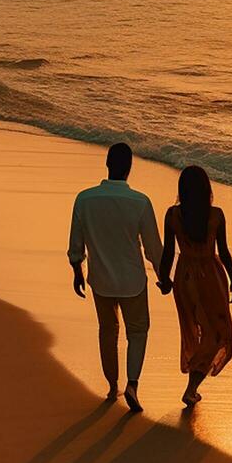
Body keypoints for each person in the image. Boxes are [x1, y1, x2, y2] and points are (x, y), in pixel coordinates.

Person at [68, 143, 163, 412]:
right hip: (132, 280)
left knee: (108, 331)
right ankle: (132, 384)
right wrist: (163, 277)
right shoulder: (140, 202)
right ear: (129, 168)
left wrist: (77, 270)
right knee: (138, 331)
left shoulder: (84, 199)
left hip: (101, 279)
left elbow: (77, 243)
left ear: (107, 164)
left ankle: (112, 385)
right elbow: (153, 248)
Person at [158, 165, 232, 407]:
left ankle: (192, 384)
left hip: (185, 277)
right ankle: (191, 388)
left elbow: (169, 253)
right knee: (218, 333)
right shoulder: (216, 216)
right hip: (210, 277)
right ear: (206, 189)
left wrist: (164, 279)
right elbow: (223, 251)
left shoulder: (173, 215)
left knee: (194, 329)